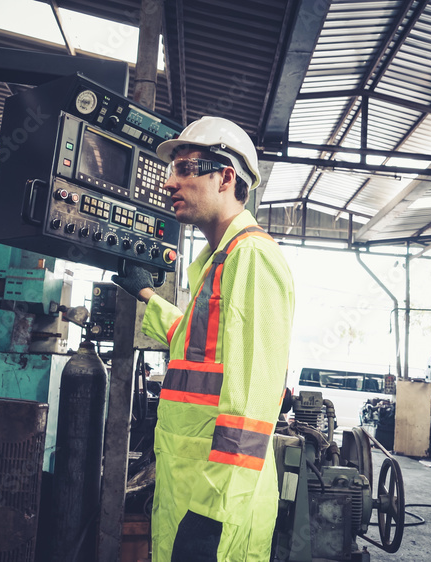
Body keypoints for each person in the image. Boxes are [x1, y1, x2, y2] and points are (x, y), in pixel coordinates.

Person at [112, 116, 294, 561]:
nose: (170, 183)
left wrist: (211, 516)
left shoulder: (251, 257)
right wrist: (145, 293)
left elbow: (251, 404)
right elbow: (194, 346)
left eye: (185, 168)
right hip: (189, 487)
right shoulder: (218, 261)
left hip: (216, 506)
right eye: (171, 171)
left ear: (225, 177)